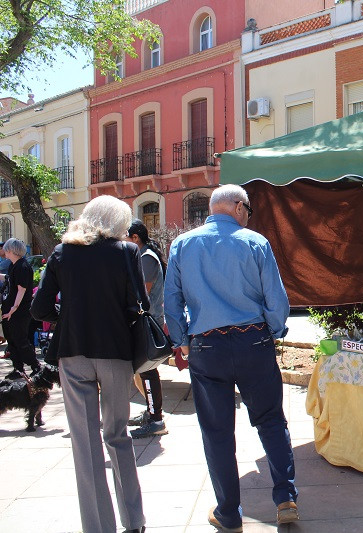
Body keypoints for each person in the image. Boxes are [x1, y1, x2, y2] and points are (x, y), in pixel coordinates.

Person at [164, 184, 299, 530]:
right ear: (239, 208)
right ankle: (285, 498)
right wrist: (274, 330)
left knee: (217, 431)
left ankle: (228, 512)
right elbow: (276, 300)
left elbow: (172, 302)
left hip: (206, 347)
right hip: (252, 340)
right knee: (270, 420)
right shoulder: (255, 242)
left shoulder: (183, 244)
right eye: (248, 211)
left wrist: (180, 341)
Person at [31, 196, 147, 533]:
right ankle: (134, 521)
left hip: (73, 352)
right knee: (117, 435)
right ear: (117, 223)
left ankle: (98, 527)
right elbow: (136, 305)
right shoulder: (126, 252)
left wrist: (66, 317)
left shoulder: (61, 253)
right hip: (114, 351)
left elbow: (39, 309)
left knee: (85, 443)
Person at [126, 219, 169, 439]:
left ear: (135, 238)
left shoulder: (146, 259)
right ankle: (152, 413)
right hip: (146, 321)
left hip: (147, 322)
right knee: (140, 374)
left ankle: (156, 419)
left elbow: (140, 295)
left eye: (125, 238)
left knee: (147, 371)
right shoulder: (143, 257)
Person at [1, 238, 40, 378]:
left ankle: (36, 366)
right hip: (9, 311)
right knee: (11, 340)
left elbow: (21, 290)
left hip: (18, 312)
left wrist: (14, 308)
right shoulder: (14, 266)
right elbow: (10, 280)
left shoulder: (22, 266)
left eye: (6, 249)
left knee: (20, 340)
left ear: (11, 250)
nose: (4, 251)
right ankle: (18, 369)